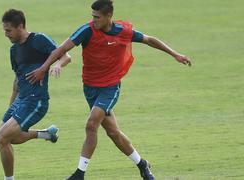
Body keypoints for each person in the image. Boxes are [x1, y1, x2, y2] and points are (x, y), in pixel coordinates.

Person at [27, 0, 191, 179]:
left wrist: (175, 54)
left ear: (108, 16)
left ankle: (79, 174)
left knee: (91, 125)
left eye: (97, 17)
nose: (94, 20)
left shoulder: (123, 31)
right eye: (92, 16)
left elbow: (149, 39)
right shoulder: (87, 30)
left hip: (110, 87)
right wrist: (45, 68)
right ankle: (142, 165)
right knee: (113, 132)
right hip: (90, 87)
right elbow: (61, 49)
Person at [0, 9, 71, 180]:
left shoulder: (39, 40)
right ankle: (45, 134)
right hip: (21, 100)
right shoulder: (14, 50)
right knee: (8, 138)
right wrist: (11, 108)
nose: (6, 34)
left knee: (1, 138)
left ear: (20, 26)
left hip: (36, 101)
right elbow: (17, 81)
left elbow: (66, 56)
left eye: (9, 30)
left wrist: (56, 65)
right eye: (4, 30)